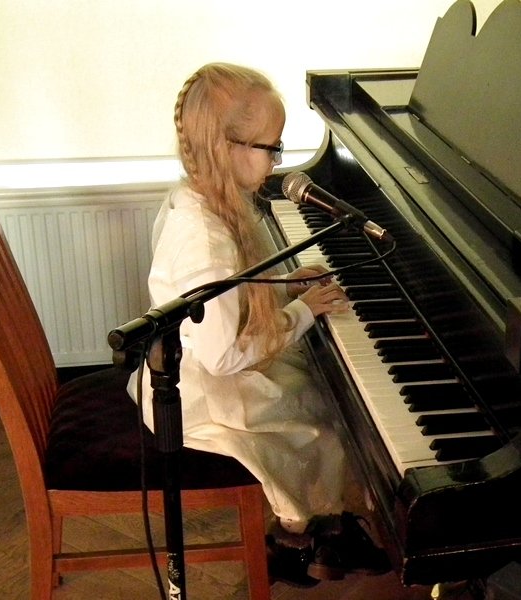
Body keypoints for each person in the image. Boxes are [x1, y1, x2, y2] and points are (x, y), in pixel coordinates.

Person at [127, 62, 390, 587]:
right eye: (272, 148)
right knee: (319, 422)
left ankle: (322, 528)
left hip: (207, 366)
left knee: (322, 396)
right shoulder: (204, 241)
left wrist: (285, 285)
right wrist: (303, 310)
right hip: (199, 393)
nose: (277, 161)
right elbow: (223, 355)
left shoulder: (202, 199)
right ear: (227, 148)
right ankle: (296, 538)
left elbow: (232, 297)